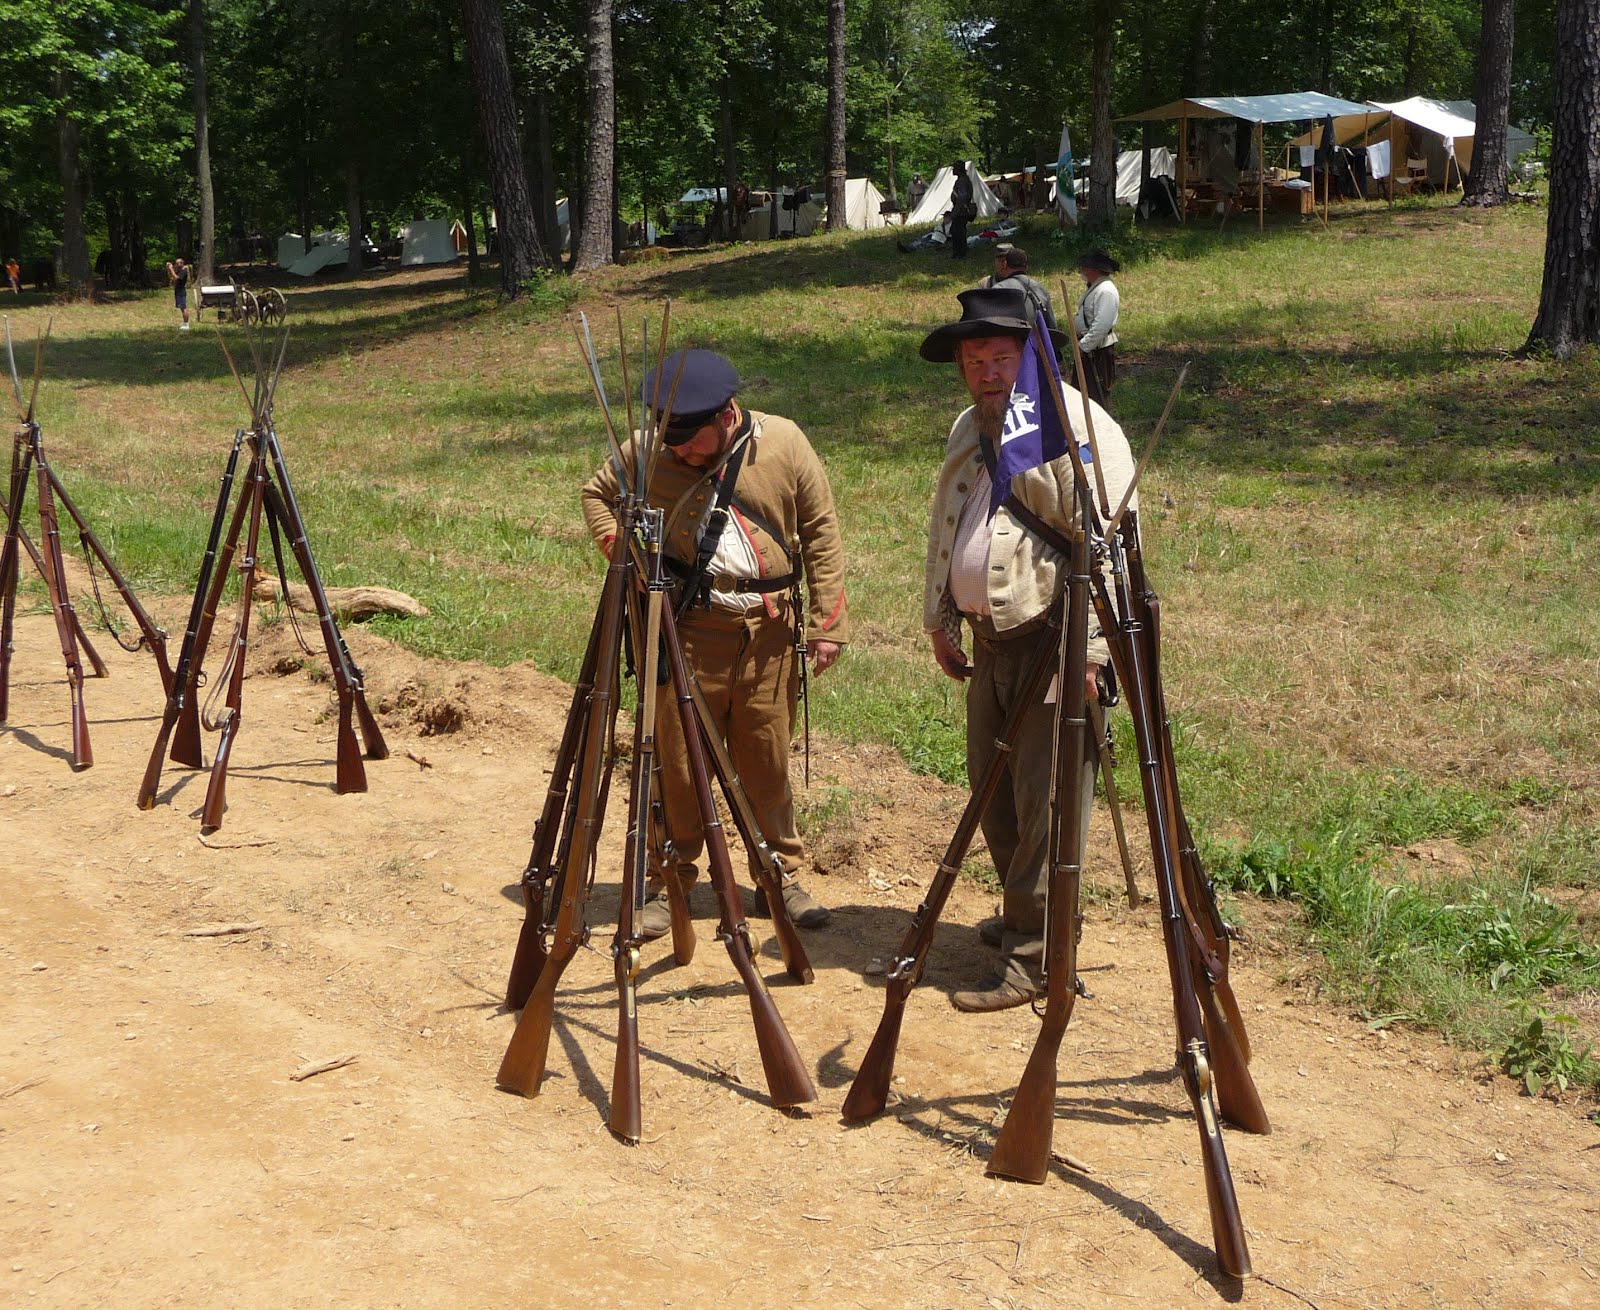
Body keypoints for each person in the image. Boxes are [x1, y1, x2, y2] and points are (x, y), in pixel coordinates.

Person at [581, 348, 849, 940]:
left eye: (691, 442)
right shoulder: (649, 448)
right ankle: (667, 883)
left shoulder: (784, 442)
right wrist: (625, 550)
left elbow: (823, 530)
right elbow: (597, 496)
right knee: (675, 762)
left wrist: (828, 626)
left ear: (728, 415)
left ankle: (778, 876)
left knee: (765, 757)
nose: (678, 453)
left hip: (770, 630)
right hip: (686, 629)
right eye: (671, 442)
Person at [919, 287, 1135, 1011]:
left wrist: (1094, 655)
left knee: (1043, 806)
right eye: (973, 359)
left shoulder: (1081, 428)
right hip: (992, 640)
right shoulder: (968, 425)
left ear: (1032, 354)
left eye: (999, 357)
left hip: (1056, 643)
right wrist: (941, 615)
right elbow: (949, 523)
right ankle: (1029, 919)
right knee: (996, 798)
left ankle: (1036, 956)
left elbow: (1111, 552)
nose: (984, 371)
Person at [1073, 249, 1121, 408]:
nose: (1083, 271)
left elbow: (1102, 325)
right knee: (1082, 394)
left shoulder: (1105, 290)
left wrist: (1084, 346)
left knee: (1097, 396)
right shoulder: (1096, 288)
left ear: (1094, 270)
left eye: (1085, 267)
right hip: (1090, 349)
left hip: (1097, 351)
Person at [984, 245, 1058, 335]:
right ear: (1026, 267)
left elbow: (988, 326)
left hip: (1010, 345)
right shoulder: (1040, 289)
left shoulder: (998, 289)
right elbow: (1052, 328)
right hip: (1036, 346)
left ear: (1006, 264)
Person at [949, 160, 974, 259]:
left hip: (961, 211)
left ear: (959, 169)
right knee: (956, 232)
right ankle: (958, 252)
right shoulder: (962, 180)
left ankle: (961, 252)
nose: (953, 170)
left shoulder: (962, 181)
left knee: (959, 232)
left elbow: (962, 197)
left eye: (954, 168)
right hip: (959, 209)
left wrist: (955, 212)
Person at [165, 257, 191, 330]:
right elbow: (171, 277)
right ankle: (185, 324)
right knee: (181, 307)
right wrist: (169, 269)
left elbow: (176, 278)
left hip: (181, 291)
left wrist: (171, 269)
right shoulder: (179, 271)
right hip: (178, 290)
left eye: (177, 263)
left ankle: (186, 325)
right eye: (175, 263)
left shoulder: (183, 271)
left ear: (182, 263)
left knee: (183, 307)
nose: (176, 264)